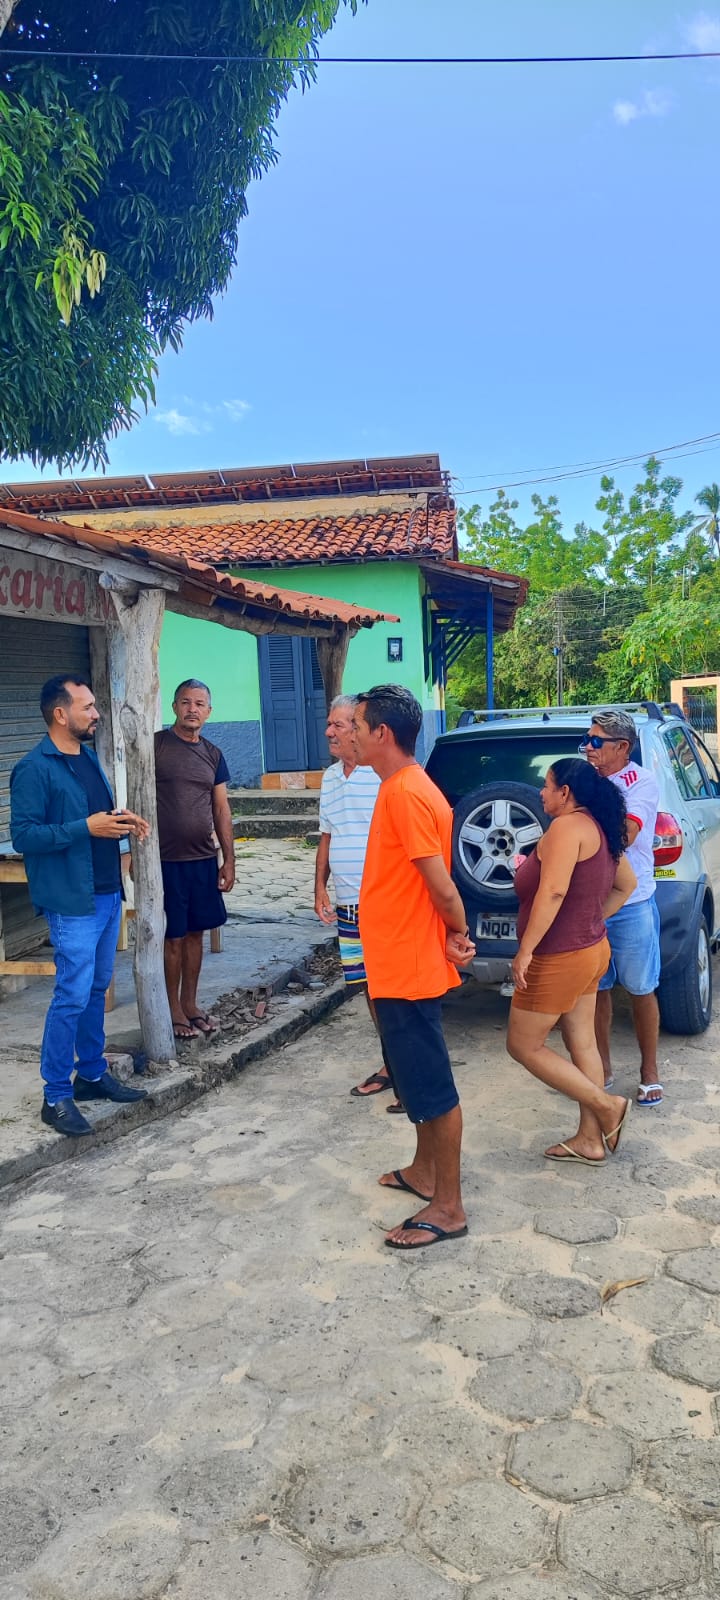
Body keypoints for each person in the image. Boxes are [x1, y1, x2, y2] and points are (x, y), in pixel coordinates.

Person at [353, 684, 475, 1250]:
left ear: (382, 733)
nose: (346, 733)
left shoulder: (405, 792)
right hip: (395, 959)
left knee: (430, 1083)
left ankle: (448, 1206)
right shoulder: (401, 787)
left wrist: (459, 933)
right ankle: (425, 1172)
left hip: (408, 963)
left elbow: (442, 886)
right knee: (414, 1079)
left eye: (355, 724)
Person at [10, 676, 150, 1136]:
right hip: (72, 898)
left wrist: (124, 822)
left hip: (108, 891)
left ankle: (90, 1073)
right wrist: (84, 828)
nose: (96, 714)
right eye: (87, 707)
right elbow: (24, 835)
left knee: (96, 989)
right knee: (70, 994)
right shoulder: (34, 768)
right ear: (60, 714)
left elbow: (96, 819)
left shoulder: (87, 757)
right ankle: (55, 1095)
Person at [506, 758, 636, 1165]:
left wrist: (526, 949)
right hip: (591, 950)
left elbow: (553, 893)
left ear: (565, 793)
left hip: (559, 956)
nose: (541, 793)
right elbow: (625, 884)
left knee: (523, 1045)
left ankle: (607, 1105)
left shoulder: (565, 828)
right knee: (582, 1041)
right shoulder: (598, 826)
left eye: (546, 786)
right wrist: (592, 919)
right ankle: (590, 1140)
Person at [314, 693, 401, 1108]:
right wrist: (320, 888)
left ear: (360, 730)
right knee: (368, 986)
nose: (330, 731)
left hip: (382, 904)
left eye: (339, 725)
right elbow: (326, 835)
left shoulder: (382, 776)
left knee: (393, 988)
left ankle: (406, 1071)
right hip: (348, 904)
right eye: (329, 724)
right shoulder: (331, 777)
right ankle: (392, 1064)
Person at [581, 708, 663, 1106]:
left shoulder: (641, 782)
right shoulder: (585, 782)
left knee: (642, 987)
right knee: (597, 989)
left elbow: (625, 835)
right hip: (590, 902)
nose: (588, 747)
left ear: (622, 747)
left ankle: (650, 1071)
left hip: (631, 903)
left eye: (597, 741)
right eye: (588, 739)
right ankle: (603, 1069)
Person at [155, 679, 235, 1039]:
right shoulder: (156, 746)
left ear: (209, 712)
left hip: (203, 859)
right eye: (186, 702)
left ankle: (190, 1003)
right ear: (174, 707)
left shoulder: (213, 754)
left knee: (195, 934)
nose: (192, 709)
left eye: (200, 703)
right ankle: (172, 1010)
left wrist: (229, 859)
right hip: (166, 861)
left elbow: (221, 808)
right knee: (172, 937)